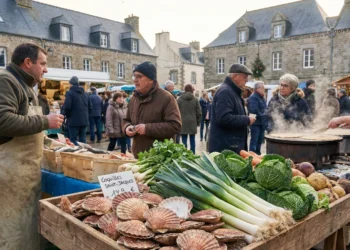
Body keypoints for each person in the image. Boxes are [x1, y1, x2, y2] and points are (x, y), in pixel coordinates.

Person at [0, 43, 63, 249]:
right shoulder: (6, 80)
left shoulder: (25, 85)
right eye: (43, 63)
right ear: (27, 63)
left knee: (25, 231)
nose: (46, 69)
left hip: (24, 175)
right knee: (11, 234)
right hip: (9, 174)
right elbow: (3, 121)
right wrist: (46, 121)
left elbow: (26, 126)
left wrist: (49, 139)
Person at [122, 61, 181, 158]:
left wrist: (147, 128)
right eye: (134, 76)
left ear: (151, 80)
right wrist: (127, 128)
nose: (135, 80)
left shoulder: (166, 98)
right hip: (138, 156)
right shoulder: (134, 99)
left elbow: (175, 126)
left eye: (139, 77)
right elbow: (126, 120)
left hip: (159, 159)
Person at [208, 63, 256, 154]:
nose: (247, 80)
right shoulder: (225, 92)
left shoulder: (232, 91)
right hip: (226, 147)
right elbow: (224, 118)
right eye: (245, 77)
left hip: (230, 145)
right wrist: (247, 119)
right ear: (235, 76)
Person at [62, 76, 91, 145]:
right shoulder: (85, 94)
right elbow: (90, 107)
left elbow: (67, 107)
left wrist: (67, 116)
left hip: (73, 120)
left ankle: (76, 154)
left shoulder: (70, 93)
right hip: (84, 120)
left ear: (71, 84)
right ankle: (82, 154)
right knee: (82, 140)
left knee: (73, 140)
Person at [177, 84, 201, 153]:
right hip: (192, 121)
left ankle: (185, 154)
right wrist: (198, 122)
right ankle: (192, 154)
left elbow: (176, 111)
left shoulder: (180, 99)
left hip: (183, 122)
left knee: (184, 140)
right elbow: (199, 112)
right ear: (191, 90)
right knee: (192, 140)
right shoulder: (195, 99)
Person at [247, 81, 267, 155]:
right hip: (255, 123)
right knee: (254, 141)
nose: (264, 89)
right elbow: (253, 109)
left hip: (261, 123)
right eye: (263, 88)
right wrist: (263, 116)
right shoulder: (253, 97)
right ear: (258, 88)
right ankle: (252, 156)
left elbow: (265, 108)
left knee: (259, 141)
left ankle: (258, 155)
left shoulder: (262, 97)